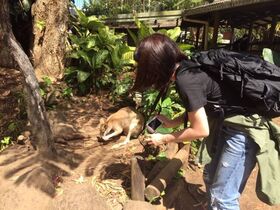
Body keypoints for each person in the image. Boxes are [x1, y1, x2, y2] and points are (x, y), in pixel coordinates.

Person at [132, 33, 280, 210]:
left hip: (243, 130)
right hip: (227, 121)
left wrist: (164, 138)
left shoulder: (185, 80)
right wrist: (173, 122)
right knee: (210, 175)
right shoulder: (188, 66)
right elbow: (204, 105)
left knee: (223, 198)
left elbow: (201, 130)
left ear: (155, 66)